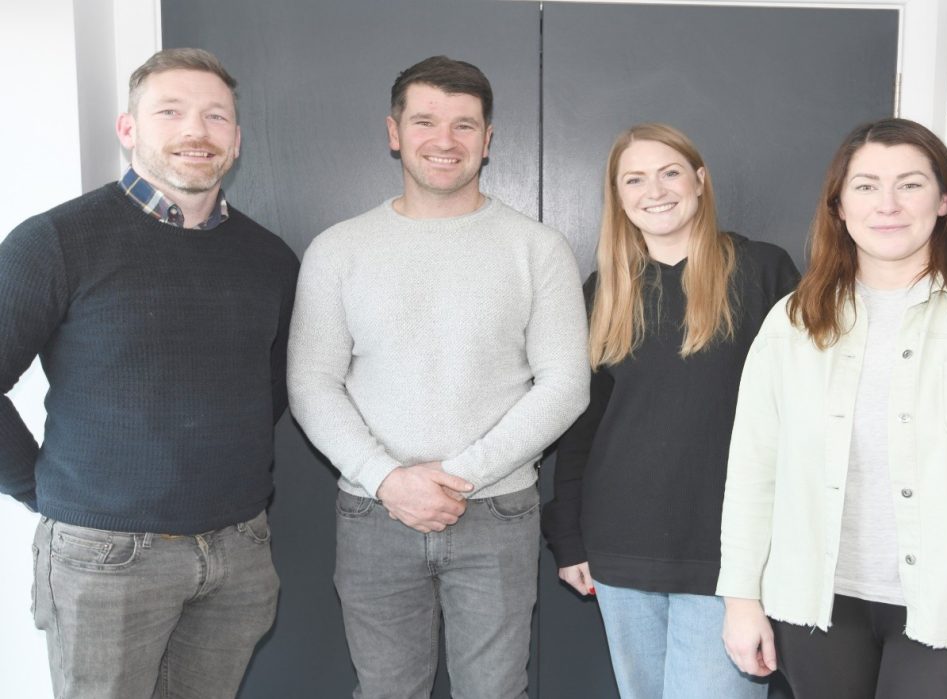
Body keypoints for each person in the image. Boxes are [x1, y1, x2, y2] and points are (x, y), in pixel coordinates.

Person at [718, 118, 947, 699]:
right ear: (839, 206)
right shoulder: (793, 322)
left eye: (910, 184)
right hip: (815, 606)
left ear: (945, 200)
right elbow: (753, 469)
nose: (887, 204)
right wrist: (741, 599)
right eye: (866, 186)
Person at [287, 55, 589, 699]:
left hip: (498, 512)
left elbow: (566, 384)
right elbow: (312, 383)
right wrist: (388, 479)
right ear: (394, 132)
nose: (444, 140)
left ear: (488, 139)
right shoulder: (338, 249)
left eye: (464, 125)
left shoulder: (537, 249)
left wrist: (457, 477)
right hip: (374, 511)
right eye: (425, 121)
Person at [0, 48, 298, 698]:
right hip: (105, 558)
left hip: (238, 550)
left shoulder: (270, 259)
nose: (196, 130)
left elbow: (268, 391)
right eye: (171, 111)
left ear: (237, 140)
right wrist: (43, 490)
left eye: (216, 116)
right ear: (128, 128)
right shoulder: (55, 242)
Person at [542, 123, 799, 698]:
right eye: (634, 179)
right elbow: (583, 427)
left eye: (670, 173)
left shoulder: (762, 272)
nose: (654, 191)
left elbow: (803, 413)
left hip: (729, 554)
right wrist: (570, 538)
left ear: (700, 181)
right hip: (619, 547)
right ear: (618, 197)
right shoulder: (604, 290)